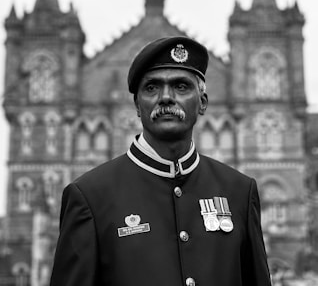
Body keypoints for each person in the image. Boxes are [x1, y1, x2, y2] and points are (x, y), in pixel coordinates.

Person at [50, 36, 271, 286]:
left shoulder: (239, 192)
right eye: (152, 87)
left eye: (181, 86)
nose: (166, 97)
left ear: (203, 103)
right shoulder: (89, 197)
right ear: (137, 105)